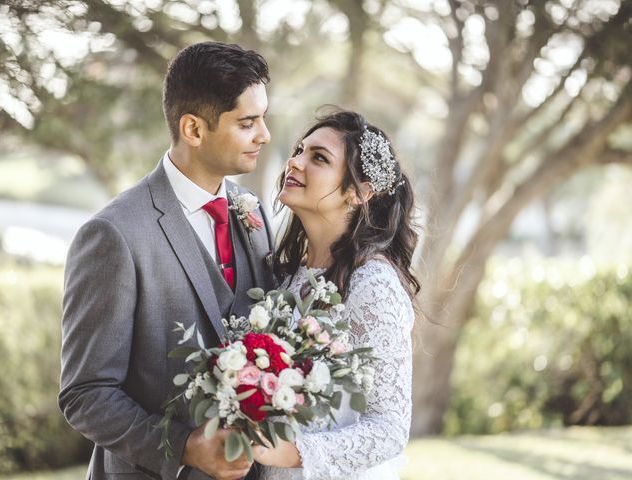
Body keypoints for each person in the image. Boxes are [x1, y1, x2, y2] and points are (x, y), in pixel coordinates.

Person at [59, 42, 274, 480]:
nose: (264, 135)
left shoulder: (252, 211)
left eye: (262, 119)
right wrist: (186, 448)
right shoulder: (114, 235)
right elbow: (86, 393)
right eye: (248, 123)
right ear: (193, 129)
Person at [253, 110, 420, 479]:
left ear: (359, 192)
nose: (295, 162)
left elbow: (390, 429)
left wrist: (292, 452)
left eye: (319, 158)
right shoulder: (287, 277)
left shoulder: (372, 285)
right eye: (299, 150)